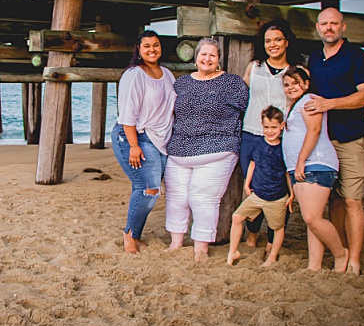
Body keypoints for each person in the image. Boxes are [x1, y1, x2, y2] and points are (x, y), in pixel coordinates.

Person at [164, 38, 249, 261]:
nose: (207, 59)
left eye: (212, 55)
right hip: (179, 149)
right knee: (177, 197)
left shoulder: (232, 83)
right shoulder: (181, 83)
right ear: (196, 57)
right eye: (203, 54)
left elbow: (246, 110)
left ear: (219, 59)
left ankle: (200, 247)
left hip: (217, 148)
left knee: (201, 198)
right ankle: (176, 242)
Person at [305, 7, 364, 276]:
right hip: (321, 141)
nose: (329, 28)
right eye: (324, 24)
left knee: (352, 200)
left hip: (352, 138)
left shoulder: (357, 57)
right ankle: (341, 251)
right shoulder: (313, 58)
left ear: (343, 27)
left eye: (334, 23)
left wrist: (329, 104)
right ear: (318, 28)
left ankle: (354, 260)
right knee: (332, 198)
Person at [111, 30, 176, 254]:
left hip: (160, 139)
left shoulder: (167, 74)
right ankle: (130, 236)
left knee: (146, 189)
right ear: (138, 49)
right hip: (135, 135)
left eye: (156, 45)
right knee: (149, 189)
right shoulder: (134, 75)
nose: (152, 49)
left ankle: (135, 234)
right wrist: (133, 146)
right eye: (146, 46)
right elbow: (127, 113)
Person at [239, 19, 300, 249]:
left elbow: (303, 103)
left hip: (283, 139)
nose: (272, 44)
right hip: (252, 136)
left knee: (281, 189)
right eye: (268, 41)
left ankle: (274, 239)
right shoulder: (254, 67)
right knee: (254, 186)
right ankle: (253, 233)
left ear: (286, 42)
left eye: (277, 40)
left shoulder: (297, 71)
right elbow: (240, 99)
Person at [283, 66, 349, 272]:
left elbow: (315, 130)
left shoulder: (309, 100)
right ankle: (315, 265)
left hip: (315, 163)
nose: (290, 87)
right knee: (313, 219)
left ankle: (341, 253)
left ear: (305, 83)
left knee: (312, 217)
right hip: (300, 166)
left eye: (295, 82)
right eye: (286, 84)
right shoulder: (296, 104)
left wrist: (301, 160)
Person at [226, 106, 292, 267]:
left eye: (274, 127)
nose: (270, 131)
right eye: (266, 127)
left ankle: (272, 257)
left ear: (281, 126)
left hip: (277, 196)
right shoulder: (257, 143)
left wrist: (292, 194)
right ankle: (232, 251)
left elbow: (287, 172)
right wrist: (247, 184)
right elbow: (252, 165)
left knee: (277, 227)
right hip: (257, 193)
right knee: (237, 217)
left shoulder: (284, 147)